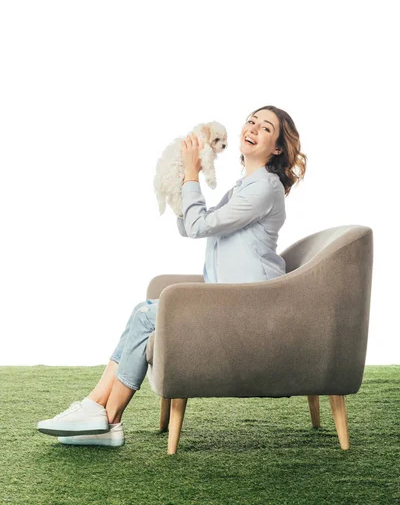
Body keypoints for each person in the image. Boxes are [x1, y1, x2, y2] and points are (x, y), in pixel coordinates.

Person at [37, 105, 307, 447]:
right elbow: (191, 223)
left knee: (148, 312)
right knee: (143, 311)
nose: (253, 128)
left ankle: (102, 415)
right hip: (231, 301)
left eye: (266, 128)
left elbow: (198, 225)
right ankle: (100, 413)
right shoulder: (242, 188)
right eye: (251, 121)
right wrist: (183, 179)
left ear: (278, 147)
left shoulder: (264, 188)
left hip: (250, 308)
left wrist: (193, 176)